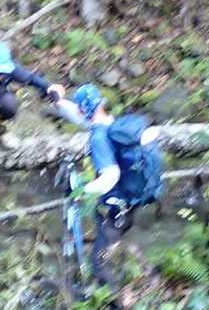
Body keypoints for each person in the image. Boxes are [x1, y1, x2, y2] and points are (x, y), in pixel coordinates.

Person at [68, 84, 165, 284]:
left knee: (99, 262)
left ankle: (118, 299)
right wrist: (58, 101)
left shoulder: (98, 138)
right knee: (114, 238)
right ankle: (148, 276)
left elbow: (110, 176)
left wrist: (81, 191)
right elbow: (81, 118)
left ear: (83, 109)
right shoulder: (113, 125)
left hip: (121, 204)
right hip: (134, 196)